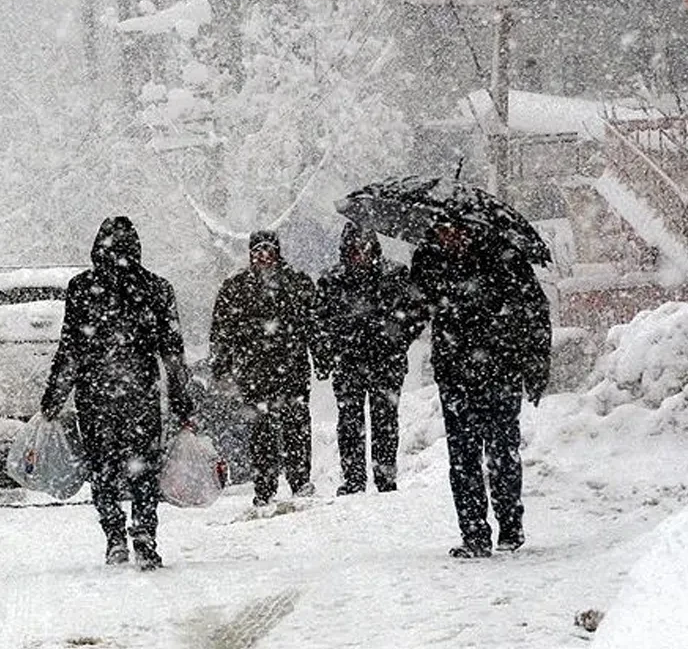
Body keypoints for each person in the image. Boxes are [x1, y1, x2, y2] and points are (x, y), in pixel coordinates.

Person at [41, 216, 194, 571]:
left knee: (104, 468)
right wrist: (182, 401)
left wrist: (54, 397)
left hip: (96, 396)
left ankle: (114, 536)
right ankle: (144, 536)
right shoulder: (156, 288)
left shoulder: (81, 288)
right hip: (140, 394)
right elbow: (172, 352)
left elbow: (71, 350)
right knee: (143, 470)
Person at [411, 219, 551, 558]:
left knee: (502, 451)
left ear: (470, 229)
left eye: (456, 230)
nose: (450, 236)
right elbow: (414, 310)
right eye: (443, 231)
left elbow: (534, 310)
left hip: (499, 370)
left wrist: (535, 365)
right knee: (463, 457)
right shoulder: (430, 260)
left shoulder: (502, 256)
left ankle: (510, 525)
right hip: (456, 374)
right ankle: (474, 533)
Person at [210, 230, 318, 507]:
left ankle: (300, 480)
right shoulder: (236, 287)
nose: (264, 256)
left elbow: (315, 325)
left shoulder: (297, 282)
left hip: (292, 368)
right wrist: (221, 367)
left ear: (278, 252)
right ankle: (265, 487)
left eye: (268, 250)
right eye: (258, 250)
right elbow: (221, 331)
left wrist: (322, 357)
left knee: (296, 427)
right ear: (250, 253)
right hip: (254, 371)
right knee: (262, 432)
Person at [315, 223, 425, 496]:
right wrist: (328, 352)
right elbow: (319, 322)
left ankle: (385, 477)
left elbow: (417, 312)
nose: (358, 254)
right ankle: (353, 479)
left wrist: (398, 339)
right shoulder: (331, 281)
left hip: (386, 361)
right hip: (349, 362)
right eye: (353, 249)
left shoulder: (396, 275)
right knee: (350, 422)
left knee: (385, 421)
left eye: (362, 248)